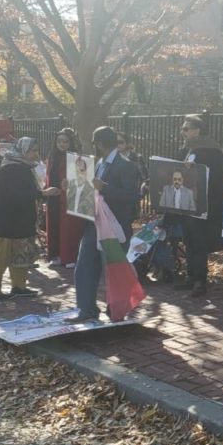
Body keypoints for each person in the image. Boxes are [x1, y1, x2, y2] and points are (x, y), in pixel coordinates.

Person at [67, 126, 143, 322]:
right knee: (84, 266)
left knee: (113, 270)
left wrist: (106, 188)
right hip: (94, 225)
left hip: (114, 228)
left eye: (94, 143)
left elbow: (133, 197)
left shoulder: (126, 165)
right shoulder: (98, 163)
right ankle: (86, 309)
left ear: (99, 144)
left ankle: (116, 310)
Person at [0, 138, 61, 300]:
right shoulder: (11, 168)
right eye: (32, 151)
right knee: (0, 259)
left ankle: (19, 287)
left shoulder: (24, 167)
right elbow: (13, 195)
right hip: (4, 222)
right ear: (23, 151)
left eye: (36, 150)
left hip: (20, 221)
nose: (35, 154)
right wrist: (43, 194)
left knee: (21, 257)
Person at [174, 114, 223, 298]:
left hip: (204, 204)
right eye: (183, 129)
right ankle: (190, 276)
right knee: (188, 240)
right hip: (187, 202)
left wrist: (195, 172)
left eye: (186, 129)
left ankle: (200, 280)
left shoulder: (212, 151)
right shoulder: (186, 149)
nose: (183, 132)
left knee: (199, 241)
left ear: (197, 130)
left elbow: (218, 177)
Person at [45, 128, 85, 268]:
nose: (62, 144)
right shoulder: (52, 157)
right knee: (54, 225)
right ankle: (56, 255)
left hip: (69, 198)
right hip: (54, 197)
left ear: (71, 142)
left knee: (70, 228)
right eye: (59, 141)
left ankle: (70, 257)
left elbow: (84, 179)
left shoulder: (76, 158)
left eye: (65, 141)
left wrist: (70, 183)